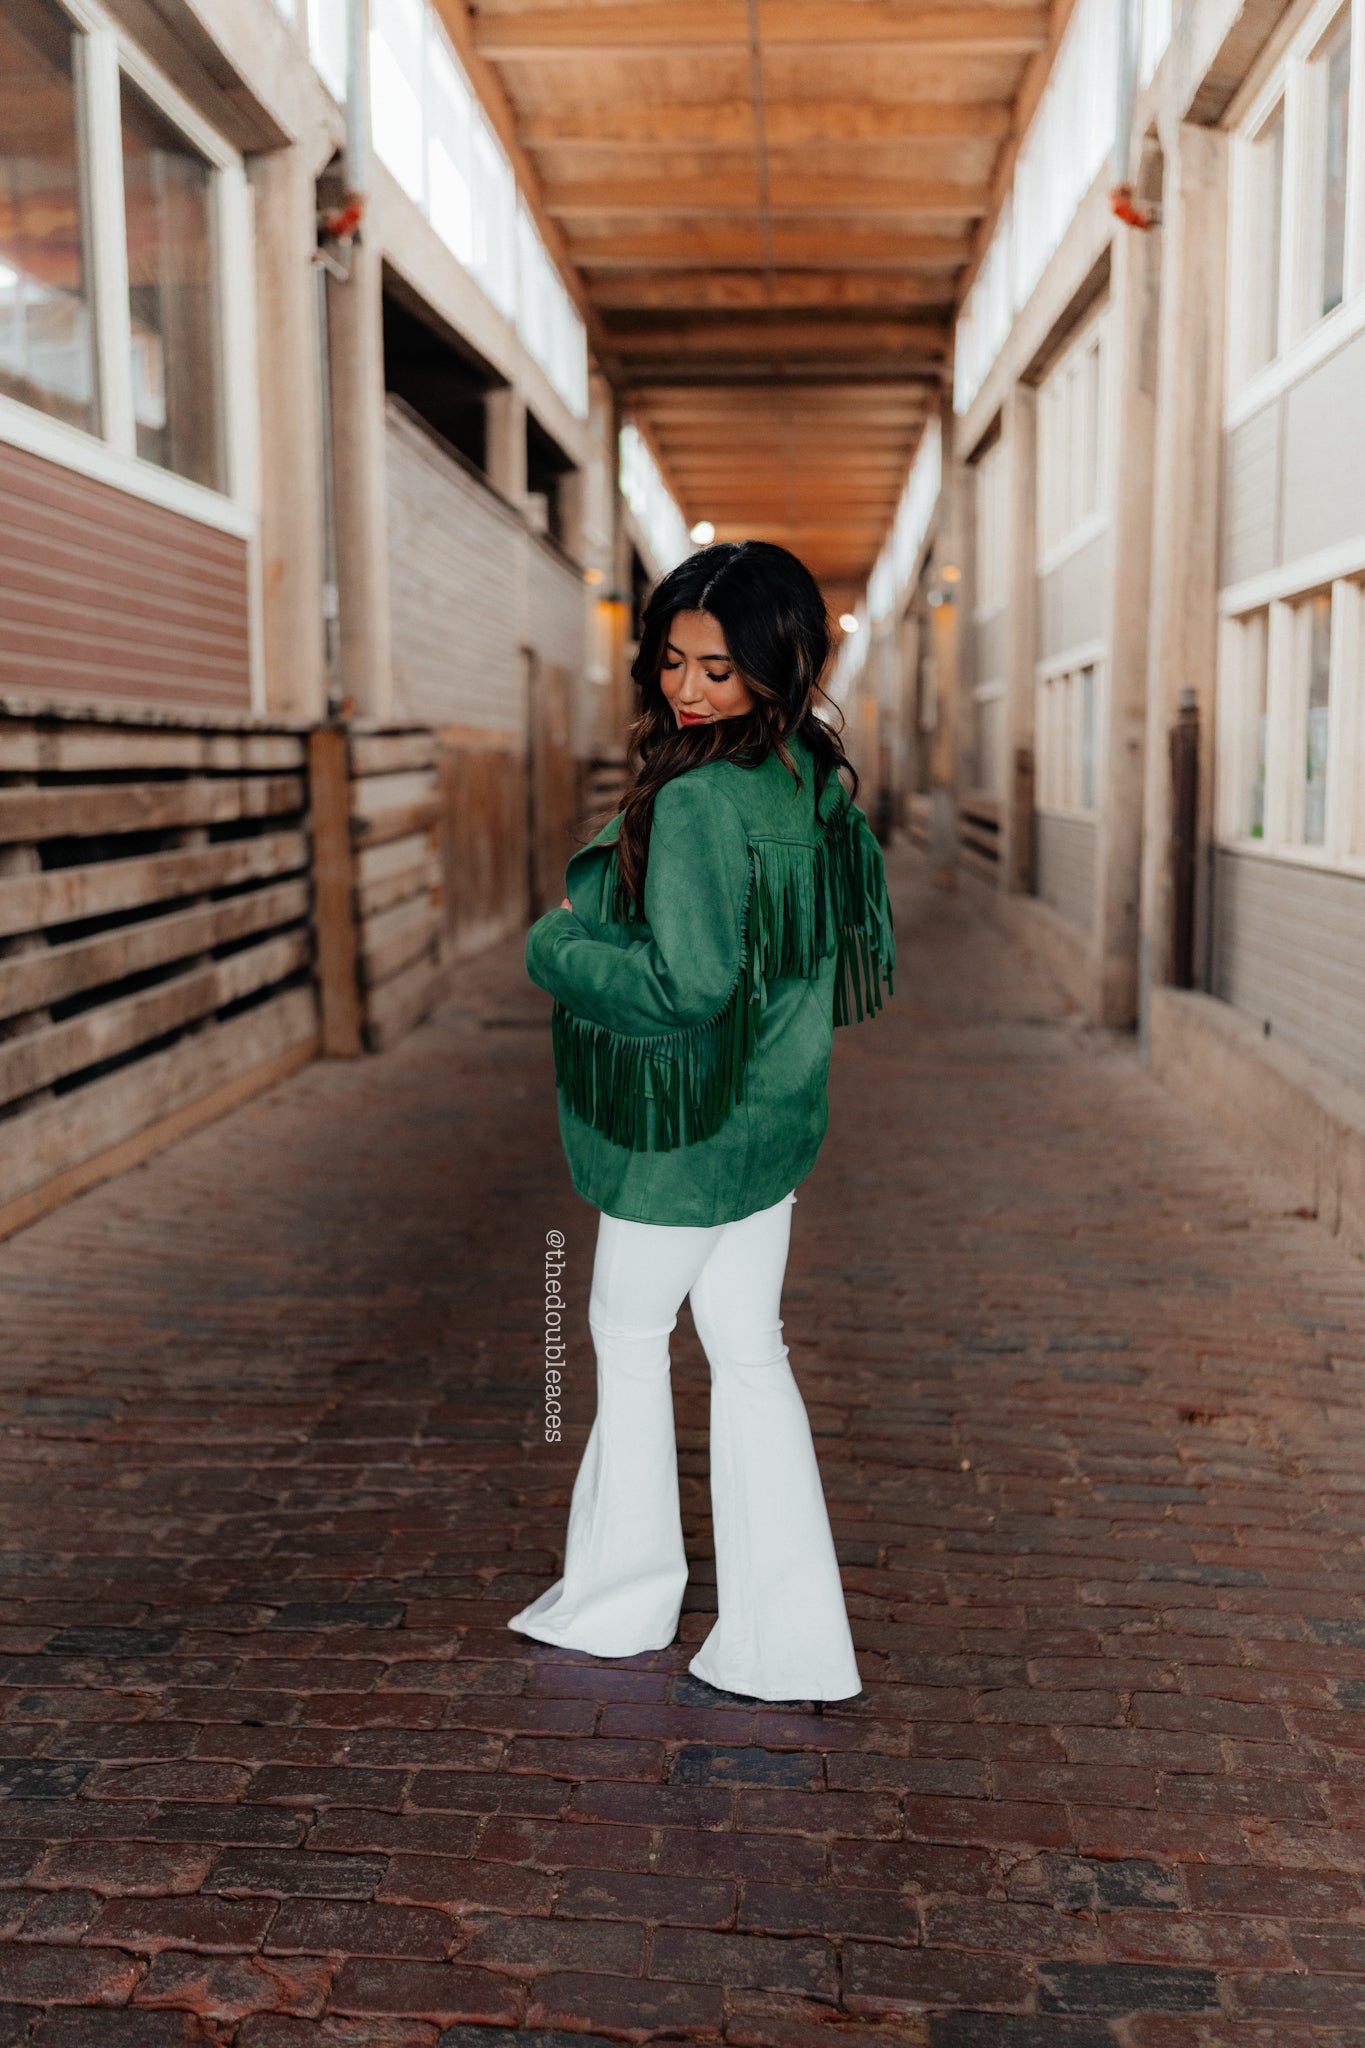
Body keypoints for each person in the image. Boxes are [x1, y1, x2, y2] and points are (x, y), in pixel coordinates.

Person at [507, 539, 896, 1703]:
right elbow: (813, 957)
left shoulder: (697, 798)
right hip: (772, 1122)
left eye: (718, 669)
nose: (686, 689)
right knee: (746, 1347)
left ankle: (624, 1602)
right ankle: (791, 1639)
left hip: (686, 1133)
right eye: (673, 661)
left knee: (624, 1339)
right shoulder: (801, 778)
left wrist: (556, 948)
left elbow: (688, 987)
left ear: (778, 664)